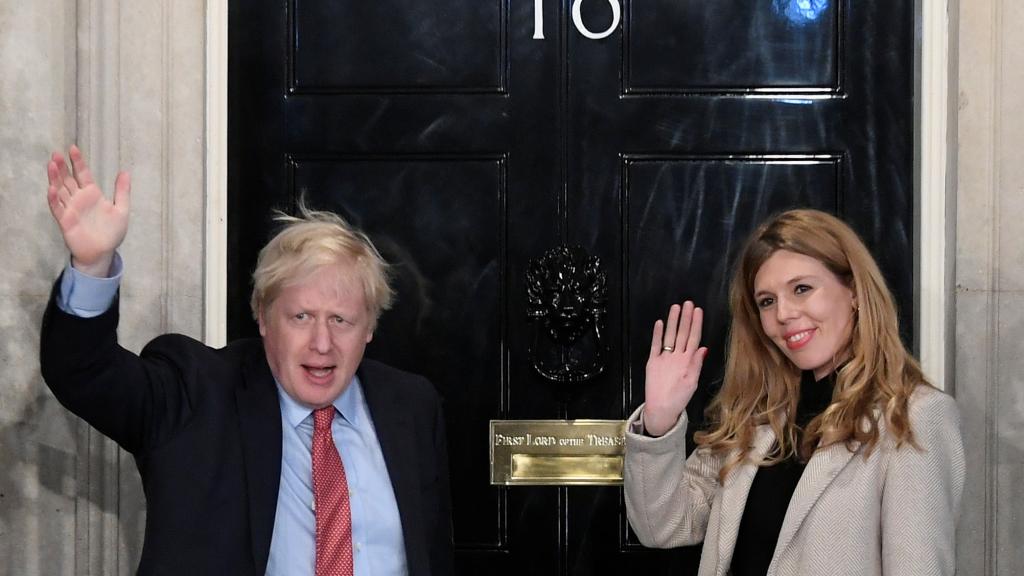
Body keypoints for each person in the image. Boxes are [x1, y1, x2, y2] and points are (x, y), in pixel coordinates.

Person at [40, 146, 454, 575]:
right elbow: (82, 371)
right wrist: (92, 266)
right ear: (263, 317)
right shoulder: (196, 392)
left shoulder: (411, 407)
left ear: (369, 327)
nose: (322, 343)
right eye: (301, 317)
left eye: (342, 320)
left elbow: (434, 553)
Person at [624, 209, 965, 576]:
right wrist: (659, 421)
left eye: (802, 289)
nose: (783, 314)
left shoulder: (915, 415)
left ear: (854, 292)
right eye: (767, 301)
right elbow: (663, 526)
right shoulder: (757, 414)